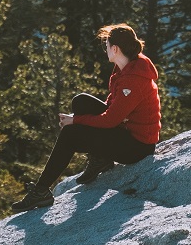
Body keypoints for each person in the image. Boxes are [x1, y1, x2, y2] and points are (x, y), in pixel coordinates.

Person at [11, 22, 161, 212]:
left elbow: (110, 120)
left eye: (106, 45)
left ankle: (41, 191)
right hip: (126, 131)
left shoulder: (133, 80)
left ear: (115, 49)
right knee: (81, 101)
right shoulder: (129, 66)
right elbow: (113, 106)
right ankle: (101, 158)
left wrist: (76, 120)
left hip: (138, 147)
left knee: (71, 133)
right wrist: (79, 116)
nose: (105, 49)